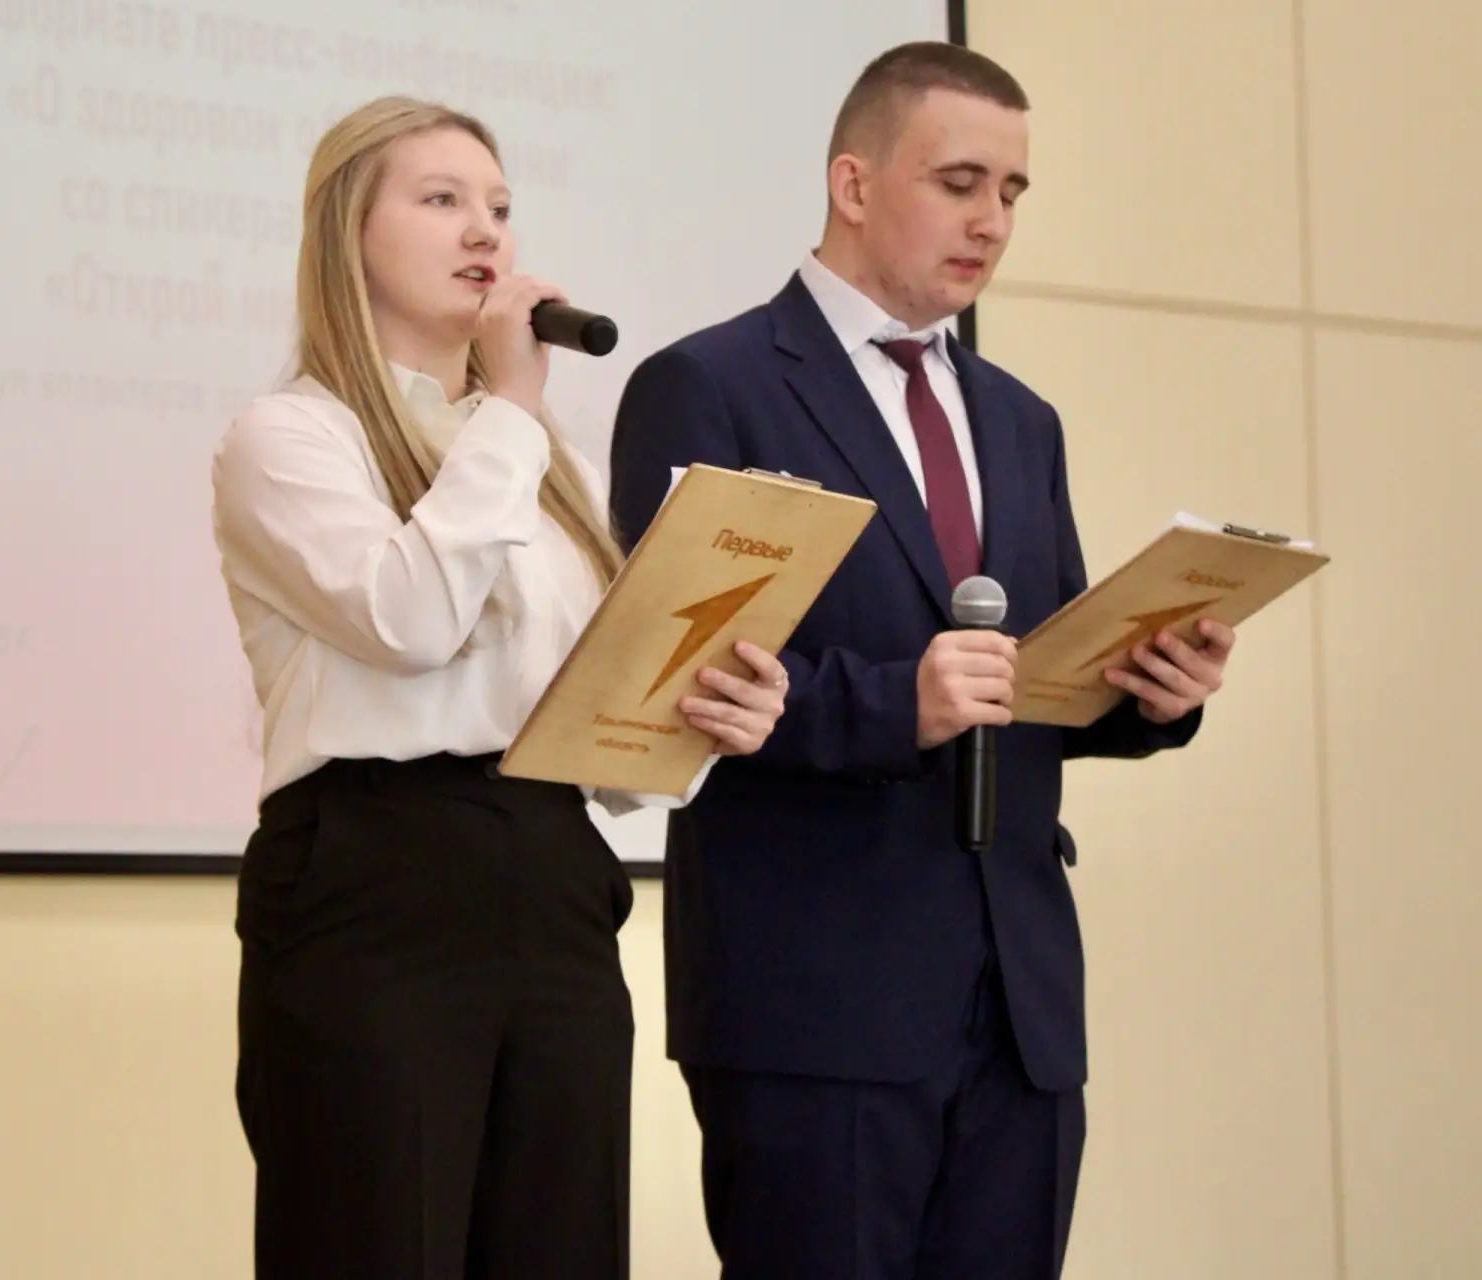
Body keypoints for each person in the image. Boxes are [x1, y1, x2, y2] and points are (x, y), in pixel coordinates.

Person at [607, 42, 1237, 1280]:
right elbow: (678, 679)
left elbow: (1029, 671)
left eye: (1012, 191)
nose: (991, 219)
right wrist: (899, 701)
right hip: (814, 996)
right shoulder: (710, 384)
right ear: (852, 183)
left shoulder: (1020, 418)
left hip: (1018, 1000)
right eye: (959, 183)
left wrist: (1148, 690)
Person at [210, 95, 790, 1280]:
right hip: (372, 883)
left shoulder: (541, 463)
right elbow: (410, 621)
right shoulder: (289, 437)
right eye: (442, 200)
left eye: (500, 206)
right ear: (347, 231)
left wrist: (707, 715)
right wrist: (513, 409)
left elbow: (594, 730)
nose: (486, 231)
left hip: (553, 880)